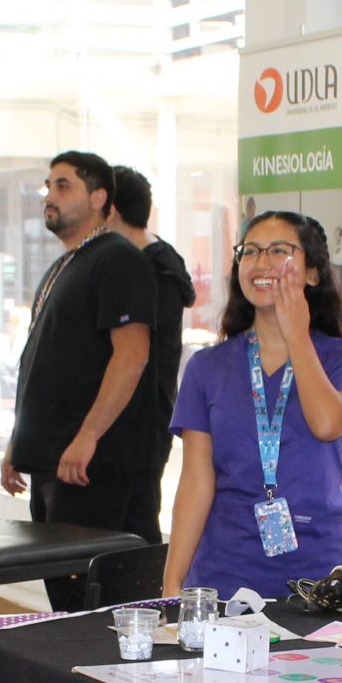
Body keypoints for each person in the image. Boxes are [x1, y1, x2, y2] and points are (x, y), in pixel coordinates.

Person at [163, 212, 342, 600]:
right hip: (226, 568)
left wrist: (296, 335)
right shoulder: (207, 366)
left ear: (313, 273)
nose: (261, 263)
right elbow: (196, 480)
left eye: (279, 250)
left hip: (321, 569)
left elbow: (327, 423)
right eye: (250, 251)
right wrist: (172, 583)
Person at [3, 151, 164, 596]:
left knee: (100, 600)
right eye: (48, 186)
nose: (49, 196)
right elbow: (45, 365)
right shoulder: (65, 265)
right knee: (65, 597)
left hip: (96, 467)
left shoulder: (118, 259)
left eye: (63, 185)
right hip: (56, 464)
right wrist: (19, 443)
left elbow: (132, 356)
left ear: (98, 198)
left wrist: (88, 436)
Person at [108, 164, 195, 482]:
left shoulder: (152, 271)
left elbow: (136, 355)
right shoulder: (151, 263)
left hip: (138, 425)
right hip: (138, 421)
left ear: (110, 210)